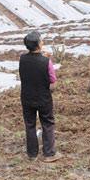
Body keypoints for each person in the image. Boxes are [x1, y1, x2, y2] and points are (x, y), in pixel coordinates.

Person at [19, 31, 59, 162]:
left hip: (27, 97)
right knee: (47, 123)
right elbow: (52, 80)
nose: (43, 42)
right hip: (43, 98)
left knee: (30, 124)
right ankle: (49, 154)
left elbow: (30, 68)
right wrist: (47, 61)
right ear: (38, 45)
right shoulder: (46, 61)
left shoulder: (22, 59)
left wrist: (44, 58)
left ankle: (32, 154)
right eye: (41, 41)